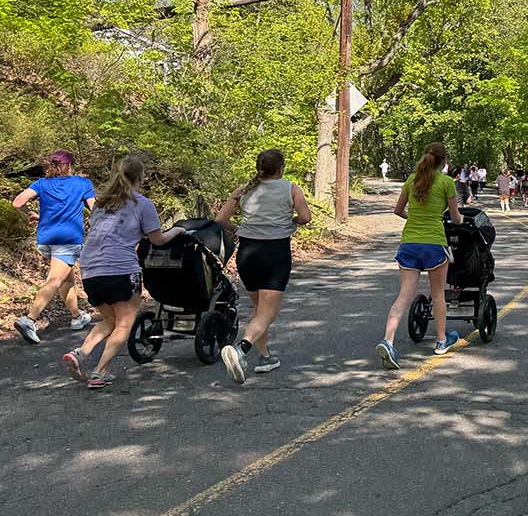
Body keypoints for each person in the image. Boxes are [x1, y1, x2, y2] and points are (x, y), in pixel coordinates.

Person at [61, 155, 186, 389]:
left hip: (89, 269)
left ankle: (80, 353)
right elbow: (157, 239)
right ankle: (99, 372)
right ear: (140, 177)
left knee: (109, 320)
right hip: (120, 268)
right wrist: (178, 230)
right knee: (124, 324)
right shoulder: (142, 204)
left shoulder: (101, 204)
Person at [215, 149, 313, 385]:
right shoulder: (291, 188)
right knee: (269, 312)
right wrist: (293, 220)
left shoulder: (243, 189)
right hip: (275, 253)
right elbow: (306, 217)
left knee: (259, 308)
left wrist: (238, 230)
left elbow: (220, 219)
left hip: (248, 253)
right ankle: (241, 349)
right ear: (281, 168)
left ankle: (265, 357)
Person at [375, 141, 462, 369]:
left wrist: (414, 219)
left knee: (404, 295)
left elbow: (398, 210)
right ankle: (441, 340)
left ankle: (388, 340)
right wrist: (457, 220)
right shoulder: (446, 183)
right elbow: (455, 218)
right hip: (434, 244)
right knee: (438, 294)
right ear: (444, 161)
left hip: (409, 243)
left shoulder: (412, 180)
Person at [11, 150, 97, 342]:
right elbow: (95, 208)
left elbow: (17, 202)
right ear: (70, 165)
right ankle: (29, 320)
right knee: (55, 279)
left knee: (67, 279)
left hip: (46, 239)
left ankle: (77, 317)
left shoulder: (42, 183)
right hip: (68, 239)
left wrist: (30, 214)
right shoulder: (82, 184)